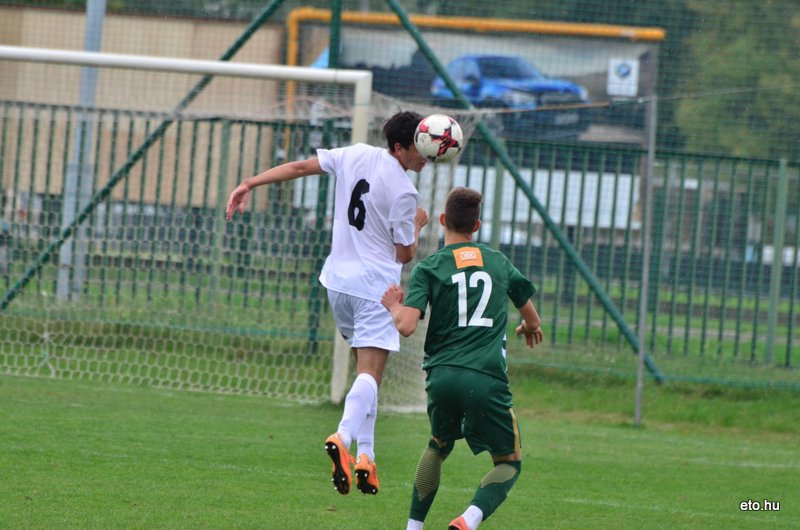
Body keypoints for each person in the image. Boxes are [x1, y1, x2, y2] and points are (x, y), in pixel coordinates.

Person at [225, 111, 430, 497]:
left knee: (367, 375)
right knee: (370, 375)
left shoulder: (353, 153)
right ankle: (344, 437)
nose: (427, 156)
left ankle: (367, 458)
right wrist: (417, 227)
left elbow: (302, 165)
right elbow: (404, 254)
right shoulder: (404, 191)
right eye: (421, 148)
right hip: (376, 290)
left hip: (337, 283)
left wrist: (250, 181)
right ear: (400, 147)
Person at [381, 187, 544, 530]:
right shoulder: (498, 262)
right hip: (485, 377)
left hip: (441, 377)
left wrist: (394, 305)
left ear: (442, 221)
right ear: (478, 225)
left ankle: (413, 527)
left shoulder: (430, 267)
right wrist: (529, 327)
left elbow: (406, 326)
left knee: (437, 446)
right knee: (509, 463)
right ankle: (469, 520)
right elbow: (531, 315)